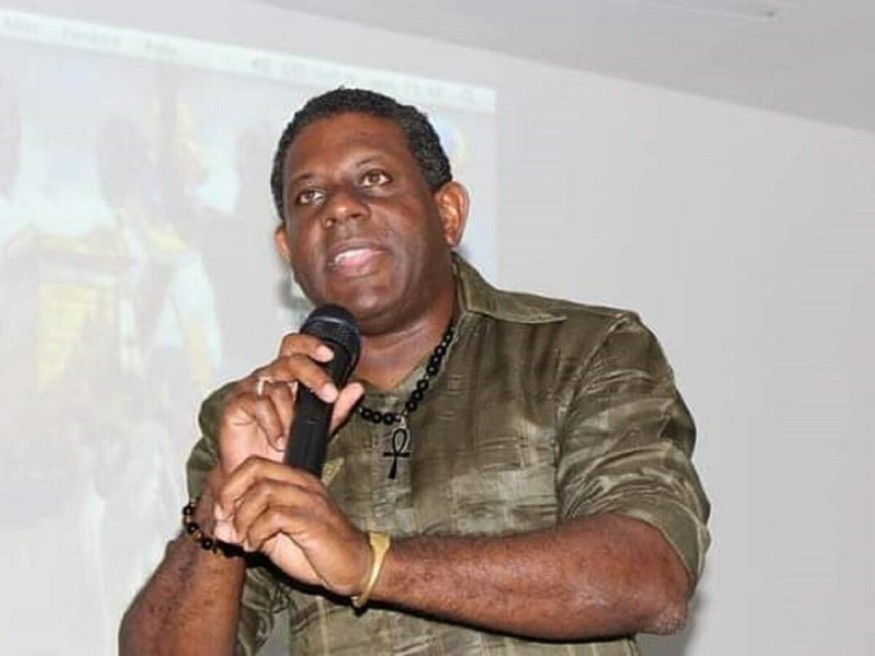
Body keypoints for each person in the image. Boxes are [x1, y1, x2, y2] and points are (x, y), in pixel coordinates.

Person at [120, 88, 710, 655]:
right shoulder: (258, 415)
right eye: (309, 196)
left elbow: (651, 578)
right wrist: (224, 502)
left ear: (448, 214)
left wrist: (370, 563)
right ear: (288, 248)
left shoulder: (580, 349)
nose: (339, 207)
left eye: (374, 179)